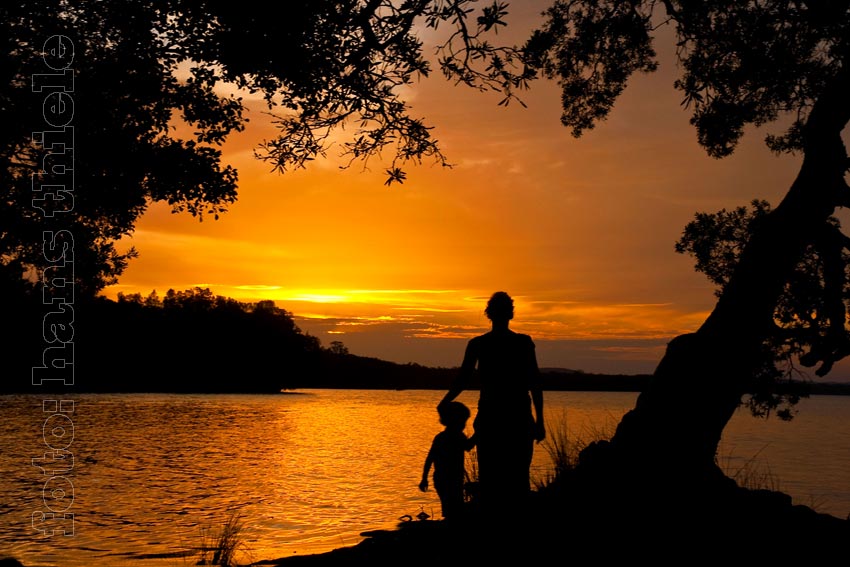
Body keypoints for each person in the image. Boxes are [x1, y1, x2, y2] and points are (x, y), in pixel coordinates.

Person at [438, 291, 545, 516]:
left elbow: (463, 379)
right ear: (510, 314)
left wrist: (446, 400)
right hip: (512, 417)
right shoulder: (517, 343)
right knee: (515, 477)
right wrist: (539, 421)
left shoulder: (484, 344)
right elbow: (534, 381)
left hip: (499, 417)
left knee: (494, 477)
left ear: (489, 314)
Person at [419, 401, 475, 521]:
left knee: (450, 508)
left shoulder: (440, 437)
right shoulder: (457, 436)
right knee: (454, 508)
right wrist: (479, 434)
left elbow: (429, 458)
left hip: (440, 478)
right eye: (463, 421)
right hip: (450, 478)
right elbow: (468, 446)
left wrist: (424, 478)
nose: (464, 424)